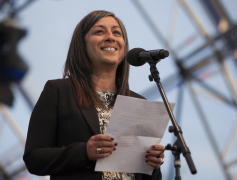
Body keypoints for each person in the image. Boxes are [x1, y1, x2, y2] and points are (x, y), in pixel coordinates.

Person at [23, 10, 165, 180]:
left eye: (117, 32)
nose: (110, 37)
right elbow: (33, 158)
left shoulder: (138, 102)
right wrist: (84, 152)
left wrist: (153, 165)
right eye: (99, 31)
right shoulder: (59, 91)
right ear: (81, 44)